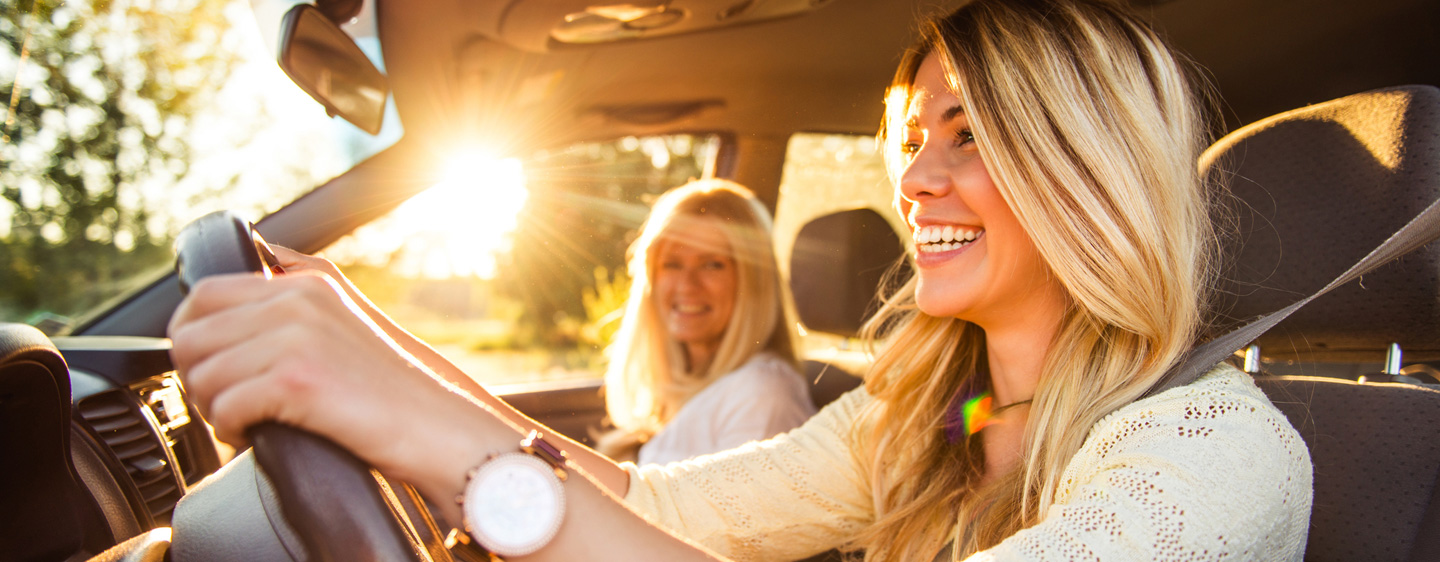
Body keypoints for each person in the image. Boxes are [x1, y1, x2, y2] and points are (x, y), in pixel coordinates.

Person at [168, 0, 1313, 560]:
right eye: (913, 137)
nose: (915, 176)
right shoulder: (934, 415)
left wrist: (418, 424)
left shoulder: (1216, 451)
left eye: (969, 134)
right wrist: (374, 343)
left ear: (1087, 166)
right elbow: (667, 511)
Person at [596, 179, 814, 466]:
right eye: (672, 264)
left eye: (712, 264)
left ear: (754, 281)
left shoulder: (762, 394)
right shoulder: (682, 388)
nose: (687, 285)